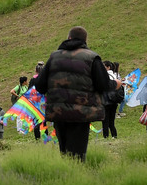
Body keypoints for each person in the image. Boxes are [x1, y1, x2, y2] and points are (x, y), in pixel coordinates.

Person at [34, 26, 119, 161]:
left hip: (59, 112)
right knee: (78, 155)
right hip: (81, 113)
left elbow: (39, 86)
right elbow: (102, 85)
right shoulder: (92, 57)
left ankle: (66, 177)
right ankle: (76, 178)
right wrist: (116, 84)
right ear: (85, 40)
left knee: (65, 154)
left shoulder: (54, 57)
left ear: (68, 38)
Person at [102, 61, 122, 139]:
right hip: (114, 100)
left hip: (107, 100)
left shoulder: (106, 76)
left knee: (105, 120)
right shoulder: (115, 74)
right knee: (111, 120)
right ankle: (114, 135)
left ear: (108, 67)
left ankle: (106, 136)